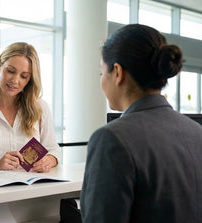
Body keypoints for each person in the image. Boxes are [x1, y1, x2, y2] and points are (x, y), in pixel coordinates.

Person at [80, 24, 202, 222]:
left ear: (118, 72)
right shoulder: (196, 132)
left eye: (102, 72)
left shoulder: (112, 139)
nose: (102, 81)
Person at [0, 42, 60, 174]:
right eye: (10, 71)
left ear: (30, 79)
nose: (15, 80)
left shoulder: (40, 107)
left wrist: (48, 160)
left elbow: (53, 149)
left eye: (24, 76)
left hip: (32, 190)